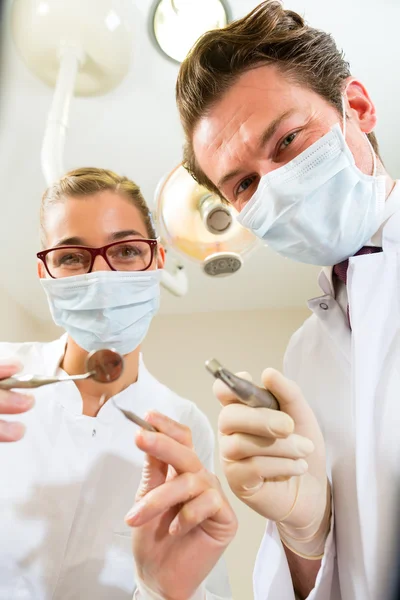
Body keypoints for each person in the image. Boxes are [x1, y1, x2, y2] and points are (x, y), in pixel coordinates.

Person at [175, 1, 400, 599]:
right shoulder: (304, 357)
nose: (272, 184)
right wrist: (305, 533)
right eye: (243, 184)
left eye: (288, 140)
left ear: (356, 107)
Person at [0, 167, 236, 599]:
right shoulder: (5, 373)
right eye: (71, 257)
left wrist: (163, 591)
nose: (102, 275)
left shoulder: (183, 426)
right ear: (44, 274)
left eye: (127, 250)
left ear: (158, 260)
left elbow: (198, 581)